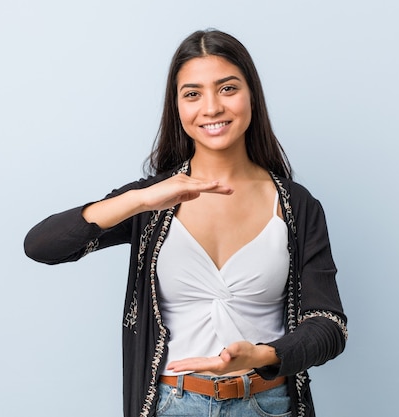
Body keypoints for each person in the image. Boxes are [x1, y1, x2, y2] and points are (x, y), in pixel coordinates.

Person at [24, 29, 347, 417]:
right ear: (176, 106)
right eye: (192, 94)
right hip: (171, 405)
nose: (211, 108)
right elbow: (41, 247)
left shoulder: (298, 205)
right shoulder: (149, 203)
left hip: (269, 403)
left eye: (227, 88)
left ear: (252, 96)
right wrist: (139, 199)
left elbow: (329, 326)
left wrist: (263, 354)